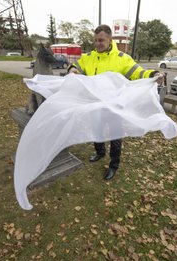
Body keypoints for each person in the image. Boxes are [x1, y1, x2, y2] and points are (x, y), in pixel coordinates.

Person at [68, 24, 164, 180]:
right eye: (96, 40)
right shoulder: (89, 57)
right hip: (95, 104)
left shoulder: (121, 58)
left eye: (101, 40)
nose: (98, 43)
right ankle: (99, 152)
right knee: (96, 130)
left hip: (114, 106)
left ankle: (113, 165)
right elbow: (76, 66)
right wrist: (72, 69)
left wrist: (153, 74)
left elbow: (138, 72)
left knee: (115, 136)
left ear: (110, 39)